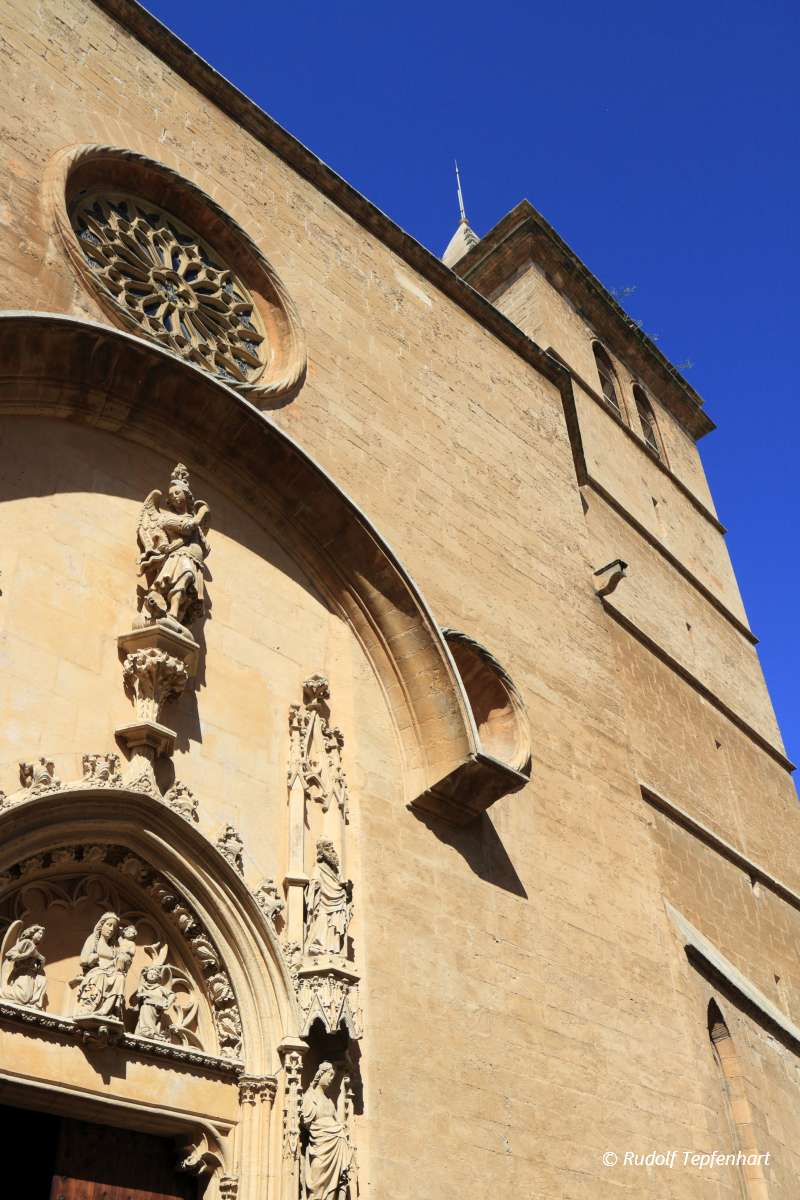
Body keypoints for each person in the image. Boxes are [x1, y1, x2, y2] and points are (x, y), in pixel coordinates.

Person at [302, 1062, 353, 1200]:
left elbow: (339, 1122)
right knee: (316, 1179)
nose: (331, 1079)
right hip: (320, 1146)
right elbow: (306, 1121)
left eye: (333, 1076)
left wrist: (338, 1129)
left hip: (336, 1145)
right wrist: (327, 1127)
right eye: (330, 1075)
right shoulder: (310, 1096)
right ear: (321, 1074)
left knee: (335, 1183)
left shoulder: (330, 1101)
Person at [73, 912, 135, 1022]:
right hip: (96, 971)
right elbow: (83, 960)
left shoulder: (114, 946)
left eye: (114, 927)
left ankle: (106, 1011)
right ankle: (89, 1008)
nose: (111, 929)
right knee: (100, 976)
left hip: (111, 972)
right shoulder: (93, 939)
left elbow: (120, 962)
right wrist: (93, 957)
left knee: (120, 978)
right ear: (101, 925)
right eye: (108, 925)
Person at [0, 923, 47, 1008]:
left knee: (26, 997)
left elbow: (40, 964)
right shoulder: (26, 942)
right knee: (23, 996)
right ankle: (2, 992)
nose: (41, 936)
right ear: (33, 932)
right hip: (23, 973)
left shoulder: (34, 946)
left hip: (30, 975)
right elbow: (10, 955)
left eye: (42, 935)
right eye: (39, 933)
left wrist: (41, 960)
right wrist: (27, 954)